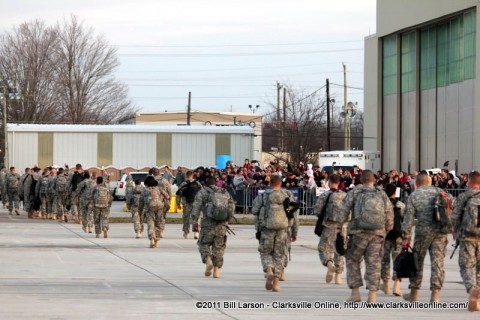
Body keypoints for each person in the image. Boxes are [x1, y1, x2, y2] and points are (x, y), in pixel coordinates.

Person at [340, 170, 393, 303]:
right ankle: (372, 295)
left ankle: (355, 293)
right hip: (377, 233)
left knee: (352, 260)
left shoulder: (355, 192)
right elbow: (389, 214)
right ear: (373, 180)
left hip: (358, 233)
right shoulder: (381, 193)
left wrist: (341, 227)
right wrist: (386, 230)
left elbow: (344, 210)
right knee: (374, 263)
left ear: (361, 180)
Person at [402, 172, 453, 302]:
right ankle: (435, 294)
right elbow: (452, 205)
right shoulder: (440, 191)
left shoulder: (414, 196)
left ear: (416, 183)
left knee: (417, 261)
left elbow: (408, 219)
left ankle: (414, 293)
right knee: (438, 262)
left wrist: (406, 237)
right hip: (440, 232)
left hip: (422, 233)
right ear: (430, 182)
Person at [252, 175, 297, 292]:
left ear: (270, 184)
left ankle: (269, 270)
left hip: (267, 228)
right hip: (283, 230)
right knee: (280, 255)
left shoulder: (264, 196)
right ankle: (276, 282)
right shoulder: (287, 195)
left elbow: (254, 210)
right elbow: (294, 214)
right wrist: (294, 231)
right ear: (280, 184)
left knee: (265, 252)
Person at [191, 177, 235, 279]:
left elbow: (196, 208)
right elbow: (231, 206)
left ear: (206, 184)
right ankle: (216, 270)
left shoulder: (202, 192)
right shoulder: (224, 192)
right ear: (216, 183)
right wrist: (228, 218)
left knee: (203, 243)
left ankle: (208, 260)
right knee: (219, 247)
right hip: (221, 224)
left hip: (207, 223)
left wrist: (195, 222)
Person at [451, 171, 480, 312]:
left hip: (467, 236)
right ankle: (478, 298)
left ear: (469, 182)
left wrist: (455, 231)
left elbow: (455, 216)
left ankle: (472, 288)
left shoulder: (463, 196)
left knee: (467, 266)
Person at [314, 174, 347, 285]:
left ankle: (329, 264)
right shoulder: (345, 195)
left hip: (329, 226)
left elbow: (317, 211)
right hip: (342, 227)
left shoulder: (325, 195)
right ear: (339, 183)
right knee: (340, 250)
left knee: (324, 248)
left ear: (329, 182)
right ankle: (338, 276)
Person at [380, 184, 406, 296]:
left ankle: (385, 285)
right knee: (398, 261)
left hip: (385, 236)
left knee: (385, 261)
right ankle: (396, 286)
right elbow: (405, 221)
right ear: (395, 192)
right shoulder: (401, 205)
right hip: (397, 237)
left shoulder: (381, 205)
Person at [140, 177, 169, 248]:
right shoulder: (159, 188)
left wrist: (140, 211)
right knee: (158, 224)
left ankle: (152, 239)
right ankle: (156, 240)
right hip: (159, 207)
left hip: (149, 208)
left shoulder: (144, 190)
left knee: (150, 223)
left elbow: (141, 201)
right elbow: (167, 196)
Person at [176, 171, 202, 239]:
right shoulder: (197, 183)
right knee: (196, 218)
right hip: (196, 203)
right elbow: (202, 193)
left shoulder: (183, 184)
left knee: (186, 218)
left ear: (186, 176)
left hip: (186, 203)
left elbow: (178, 194)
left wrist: (178, 203)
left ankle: (186, 232)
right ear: (193, 175)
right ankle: (196, 232)